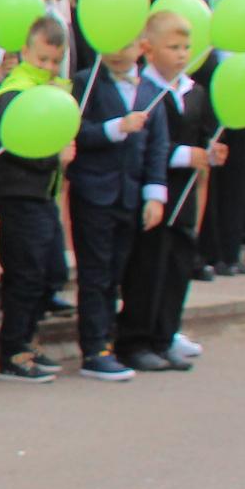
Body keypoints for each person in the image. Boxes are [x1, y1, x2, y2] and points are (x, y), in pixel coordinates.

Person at [69, 31, 172, 381]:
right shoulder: (86, 82)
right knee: (95, 273)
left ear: (142, 47)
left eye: (125, 44)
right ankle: (94, 348)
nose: (116, 52)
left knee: (116, 271)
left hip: (129, 195)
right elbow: (75, 131)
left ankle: (110, 340)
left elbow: (157, 147)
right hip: (94, 193)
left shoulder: (151, 91)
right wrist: (115, 128)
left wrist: (154, 195)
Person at [120, 12, 219, 371]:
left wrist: (210, 153)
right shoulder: (144, 93)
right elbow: (147, 146)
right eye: (173, 47)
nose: (181, 54)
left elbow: (201, 136)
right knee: (148, 266)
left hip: (184, 195)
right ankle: (136, 339)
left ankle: (165, 335)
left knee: (177, 265)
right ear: (148, 49)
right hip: (154, 189)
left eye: (186, 47)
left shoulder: (194, 92)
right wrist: (186, 155)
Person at [0, 15, 74, 382]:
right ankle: (12, 351)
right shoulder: (14, 92)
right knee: (26, 272)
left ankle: (27, 340)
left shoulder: (50, 90)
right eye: (42, 59)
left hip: (42, 192)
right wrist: (54, 155)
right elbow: (10, 146)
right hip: (18, 193)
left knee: (49, 271)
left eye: (55, 61)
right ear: (25, 52)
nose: (48, 67)